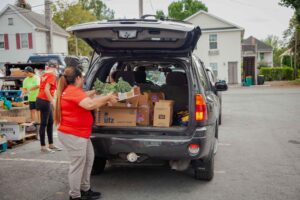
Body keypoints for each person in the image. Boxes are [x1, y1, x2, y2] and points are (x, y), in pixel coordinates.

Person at [54, 66, 118, 200]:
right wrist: (107, 97)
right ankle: (75, 195)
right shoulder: (73, 92)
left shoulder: (73, 90)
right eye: (82, 77)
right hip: (74, 135)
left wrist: (98, 91)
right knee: (77, 165)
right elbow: (90, 105)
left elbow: (85, 96)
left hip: (80, 134)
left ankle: (85, 189)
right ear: (77, 78)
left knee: (89, 159)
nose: (84, 80)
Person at [36, 60, 61, 153]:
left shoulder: (44, 74)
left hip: (42, 100)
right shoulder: (51, 75)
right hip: (44, 100)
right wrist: (53, 101)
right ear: (55, 67)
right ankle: (43, 146)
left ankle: (51, 144)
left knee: (50, 122)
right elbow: (46, 90)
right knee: (43, 124)